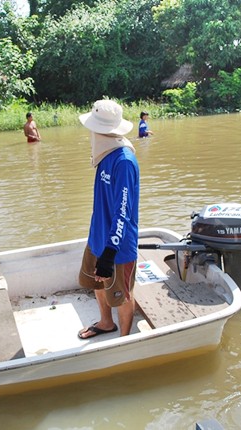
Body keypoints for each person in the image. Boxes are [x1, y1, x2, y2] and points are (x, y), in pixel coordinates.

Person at [77, 100, 140, 339]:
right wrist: (97, 241)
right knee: (96, 283)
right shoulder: (105, 154)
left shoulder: (123, 161)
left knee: (122, 295)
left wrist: (110, 253)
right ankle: (106, 322)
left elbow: (122, 211)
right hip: (98, 235)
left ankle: (124, 339)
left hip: (118, 245)